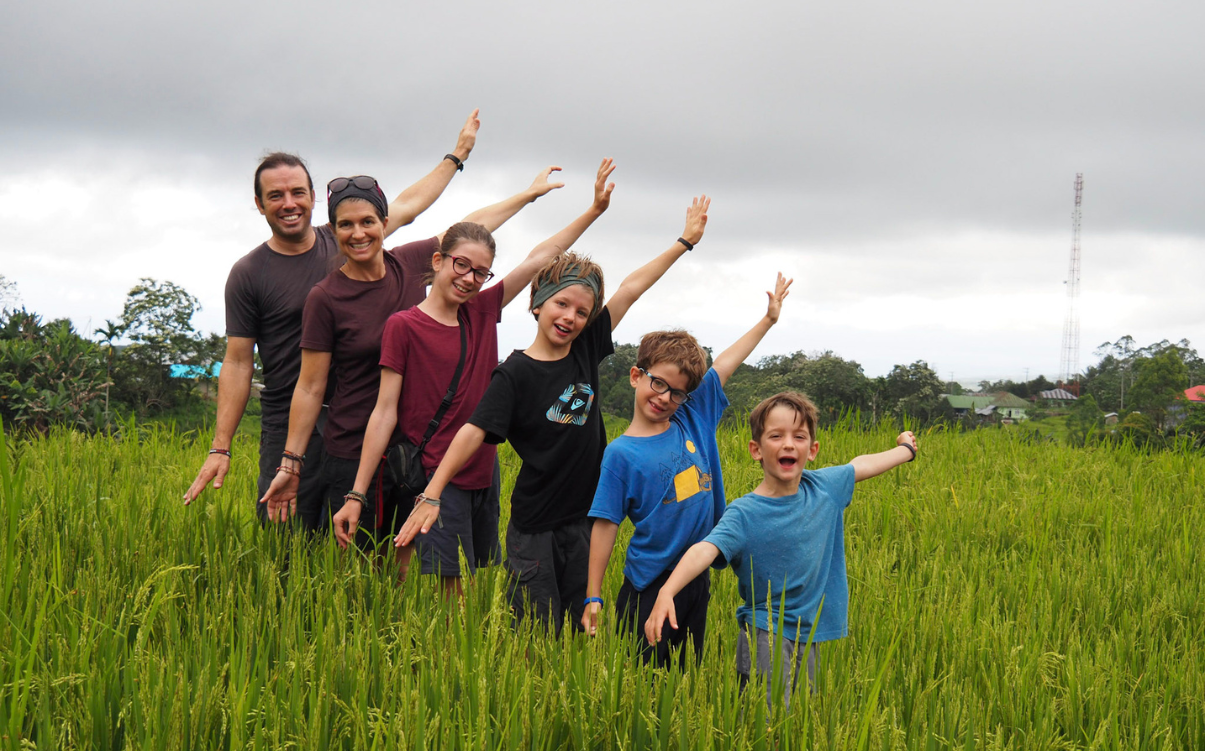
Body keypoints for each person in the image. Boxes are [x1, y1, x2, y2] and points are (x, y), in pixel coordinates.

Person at [397, 196, 712, 633]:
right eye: (562, 304)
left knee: (581, 626)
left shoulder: (585, 349)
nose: (571, 317)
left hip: (586, 519)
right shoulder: (514, 374)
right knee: (534, 631)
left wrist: (684, 242)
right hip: (535, 527)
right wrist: (432, 492)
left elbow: (631, 288)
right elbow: (472, 432)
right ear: (537, 304)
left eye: (583, 312)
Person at [183, 110, 482, 529]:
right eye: (275, 196)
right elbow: (236, 361)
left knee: (358, 543)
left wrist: (457, 155)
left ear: (312, 197)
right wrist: (221, 446)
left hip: (356, 420)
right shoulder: (249, 273)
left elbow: (411, 206)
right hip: (289, 420)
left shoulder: (345, 238)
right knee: (285, 536)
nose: (289, 204)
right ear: (259, 204)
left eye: (297, 192)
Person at [338, 160, 618, 595]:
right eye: (461, 266)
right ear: (439, 261)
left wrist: (592, 210)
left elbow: (540, 259)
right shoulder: (404, 326)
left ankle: (459, 656)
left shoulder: (484, 311)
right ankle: (424, 655)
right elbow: (384, 412)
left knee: (470, 578)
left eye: (480, 272)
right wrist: (357, 493)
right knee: (434, 588)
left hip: (483, 473)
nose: (469, 279)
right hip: (434, 471)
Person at [258, 165, 567, 543]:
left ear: (384, 223)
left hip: (411, 452)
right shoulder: (325, 297)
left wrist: (527, 194)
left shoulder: (407, 262)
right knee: (355, 570)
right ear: (333, 231)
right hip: (354, 447)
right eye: (345, 225)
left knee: (407, 572)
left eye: (368, 222)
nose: (358, 233)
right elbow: (309, 387)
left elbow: (469, 230)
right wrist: (291, 462)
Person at [645, 392, 918, 709]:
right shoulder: (744, 514)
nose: (788, 444)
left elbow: (860, 466)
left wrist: (905, 450)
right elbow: (704, 550)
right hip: (766, 633)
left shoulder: (824, 488)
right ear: (756, 450)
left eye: (798, 436)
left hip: (808, 631)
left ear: (812, 450)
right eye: (776, 436)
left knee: (801, 716)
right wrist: (668, 591)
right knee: (770, 722)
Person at [582, 273, 793, 667]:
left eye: (676, 392)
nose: (664, 398)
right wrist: (593, 594)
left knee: (684, 678)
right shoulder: (620, 454)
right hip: (649, 583)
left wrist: (768, 320)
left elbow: (725, 364)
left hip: (696, 577)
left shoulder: (691, 417)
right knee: (643, 683)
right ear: (636, 376)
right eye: (658, 384)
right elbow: (605, 524)